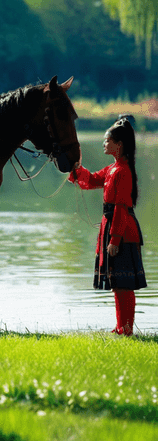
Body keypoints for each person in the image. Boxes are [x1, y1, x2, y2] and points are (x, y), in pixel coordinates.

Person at [68, 116, 146, 336]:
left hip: (122, 231)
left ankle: (126, 328)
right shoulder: (113, 169)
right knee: (118, 283)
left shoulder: (123, 171)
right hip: (114, 227)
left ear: (118, 145)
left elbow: (121, 207)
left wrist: (114, 240)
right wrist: (76, 168)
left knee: (123, 284)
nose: (104, 143)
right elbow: (91, 180)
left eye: (107, 140)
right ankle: (122, 327)